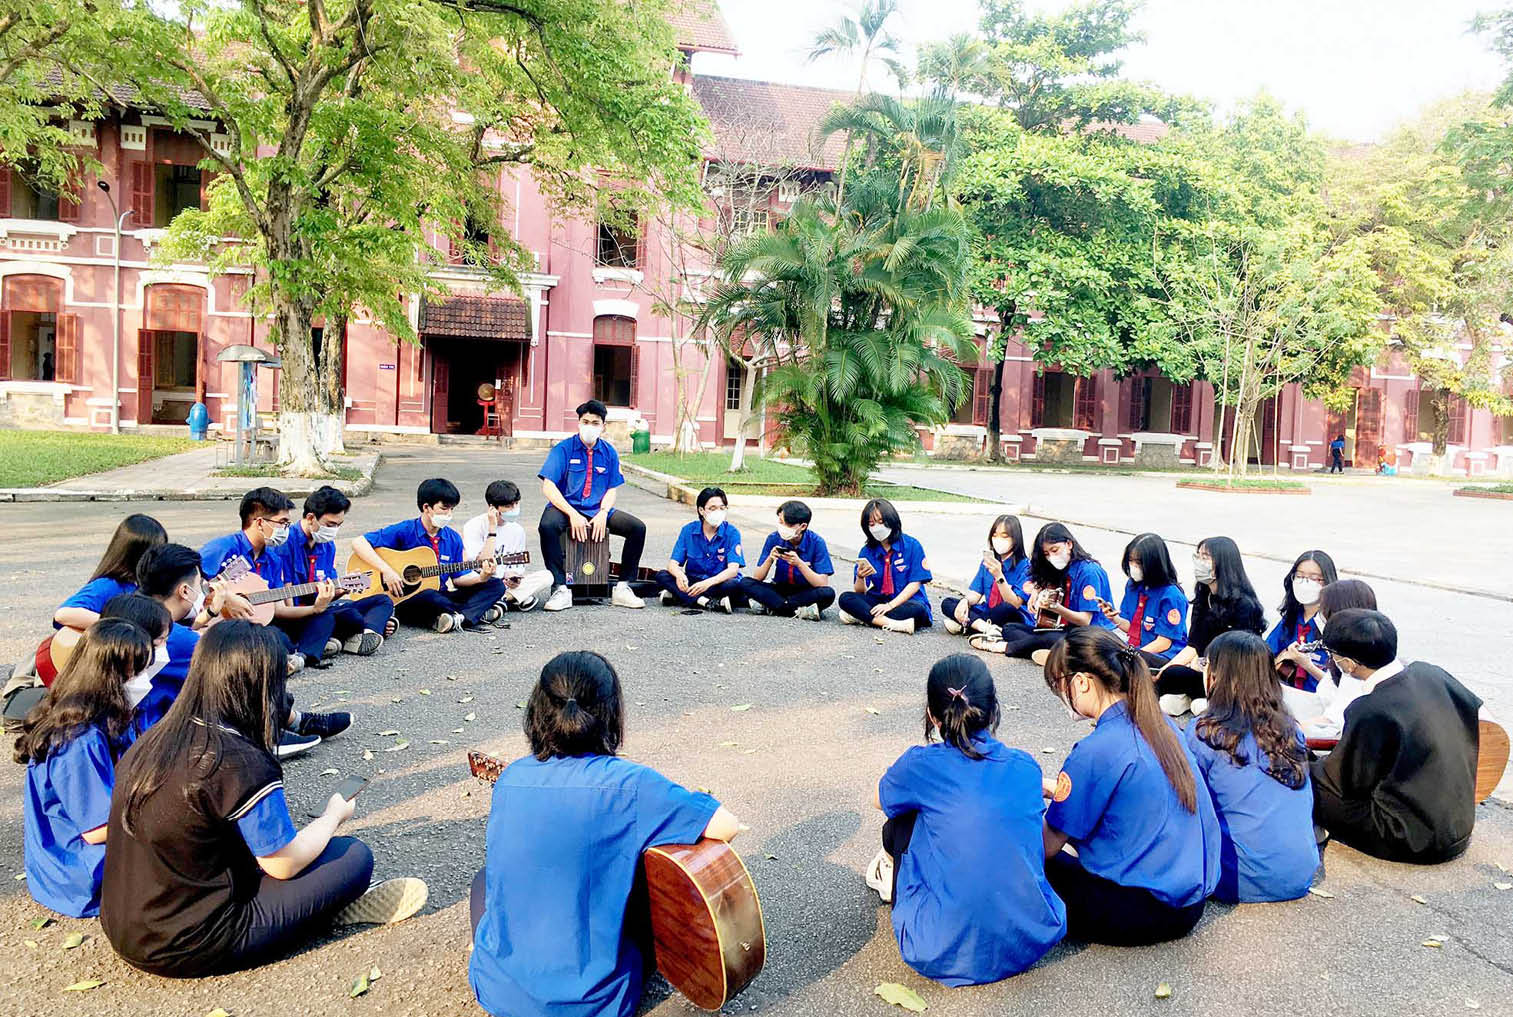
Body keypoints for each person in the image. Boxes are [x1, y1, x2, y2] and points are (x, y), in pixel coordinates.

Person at [99, 622, 428, 977]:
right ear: (262, 685)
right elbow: (283, 864)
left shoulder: (156, 736)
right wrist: (332, 816)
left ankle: (309, 910)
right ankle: (321, 913)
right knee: (352, 856)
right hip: (193, 941)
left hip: (123, 926)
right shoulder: (238, 761)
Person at [469, 651, 743, 1017]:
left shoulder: (512, 777)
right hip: (594, 1006)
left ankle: (499, 965)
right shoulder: (632, 784)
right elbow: (727, 825)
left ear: (537, 712)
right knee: (633, 890)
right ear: (612, 714)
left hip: (498, 994)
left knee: (484, 881)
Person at [868, 654, 1065, 986]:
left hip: (939, 947)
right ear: (993, 710)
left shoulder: (920, 765)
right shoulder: (1025, 766)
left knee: (901, 821)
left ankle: (892, 879)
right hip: (1027, 941)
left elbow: (878, 800)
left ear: (932, 715)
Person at [1041, 628, 1220, 945]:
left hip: (1137, 911)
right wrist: (1057, 791)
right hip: (1189, 905)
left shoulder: (1096, 750)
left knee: (1014, 856)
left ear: (1081, 682)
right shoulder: (1163, 726)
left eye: (1059, 687)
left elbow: (1047, 845)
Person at [135, 544, 340, 755]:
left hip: (147, 725)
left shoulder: (137, 614)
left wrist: (211, 612)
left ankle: (289, 721)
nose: (204, 590)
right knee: (249, 661)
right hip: (171, 731)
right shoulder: (181, 640)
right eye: (200, 585)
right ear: (185, 591)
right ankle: (265, 735)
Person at [1311, 610, 1481, 864]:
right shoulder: (1432, 673)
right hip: (1459, 825)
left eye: (1332, 655)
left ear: (1348, 663)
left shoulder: (1370, 708)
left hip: (1411, 839)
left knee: (1304, 779)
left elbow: (1344, 783)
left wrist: (1304, 759)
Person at [16, 619, 153, 917]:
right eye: (137, 671)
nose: (145, 679)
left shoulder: (95, 713)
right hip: (78, 873)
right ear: (110, 678)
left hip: (72, 862)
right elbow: (97, 830)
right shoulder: (78, 741)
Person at [1184, 632, 1318, 903]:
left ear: (1217, 675)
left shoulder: (1204, 732)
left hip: (1236, 879)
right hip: (1300, 875)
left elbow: (1187, 805)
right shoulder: (1290, 728)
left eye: (1205, 664)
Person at [200, 487, 336, 673]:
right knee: (275, 639)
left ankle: (299, 657)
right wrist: (228, 598)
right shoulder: (222, 548)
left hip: (258, 623)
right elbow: (192, 584)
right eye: (282, 523)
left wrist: (315, 608)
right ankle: (292, 653)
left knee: (323, 618)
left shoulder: (273, 558)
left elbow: (279, 609)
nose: (286, 529)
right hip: (219, 626)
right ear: (259, 523)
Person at [351, 478, 506, 633]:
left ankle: (458, 618)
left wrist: (482, 577)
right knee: (430, 597)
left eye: (452, 509)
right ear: (426, 507)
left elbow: (458, 579)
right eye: (444, 508)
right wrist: (387, 571)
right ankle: (472, 613)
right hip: (408, 599)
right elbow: (359, 542)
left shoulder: (453, 538)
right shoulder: (405, 530)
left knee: (496, 585)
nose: (449, 514)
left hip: (441, 594)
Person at [536, 400, 647, 612]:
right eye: (585, 422)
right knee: (547, 526)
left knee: (637, 528)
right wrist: (572, 514)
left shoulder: (609, 452)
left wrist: (604, 512)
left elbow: (612, 488)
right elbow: (548, 486)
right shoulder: (563, 449)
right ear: (579, 423)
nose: (589, 426)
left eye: (595, 423)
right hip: (565, 508)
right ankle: (560, 588)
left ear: (603, 426)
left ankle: (623, 588)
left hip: (597, 510)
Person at [1154, 536, 1266, 717]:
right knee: (1164, 671)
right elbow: (1193, 645)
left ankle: (1210, 699)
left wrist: (1205, 668)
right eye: (1198, 556)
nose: (1199, 562)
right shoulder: (1203, 596)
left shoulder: (1244, 605)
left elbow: (1242, 658)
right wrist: (1165, 669)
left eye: (1205, 557)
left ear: (1223, 562)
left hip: (1230, 677)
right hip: (1203, 670)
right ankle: (1195, 696)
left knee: (1174, 676)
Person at [277, 486, 396, 657]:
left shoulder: (328, 545)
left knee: (382, 601)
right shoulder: (285, 543)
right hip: (298, 614)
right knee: (349, 617)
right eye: (330, 525)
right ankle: (354, 633)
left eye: (338, 525)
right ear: (310, 518)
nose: (333, 530)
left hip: (322, 608)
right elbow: (287, 604)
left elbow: (329, 592)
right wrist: (316, 608)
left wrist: (343, 589)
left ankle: (367, 633)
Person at [968, 522, 1112, 660]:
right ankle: (1052, 654)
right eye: (1046, 554)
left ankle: (1004, 647)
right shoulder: (1061, 568)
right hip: (1063, 630)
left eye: (1054, 550)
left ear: (1069, 544)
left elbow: (1085, 621)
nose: (1051, 557)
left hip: (1091, 635)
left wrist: (1056, 608)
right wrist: (1037, 591)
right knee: (1009, 629)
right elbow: (1044, 581)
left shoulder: (1089, 572)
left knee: (1050, 638)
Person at [53, 514, 168, 630]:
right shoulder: (110, 585)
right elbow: (63, 614)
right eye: (156, 553)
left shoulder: (144, 587)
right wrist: (122, 625)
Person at [838, 499, 933, 635]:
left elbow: (915, 584)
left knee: (917, 610)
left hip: (907, 602)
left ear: (891, 520)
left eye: (881, 522)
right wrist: (860, 577)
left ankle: (864, 617)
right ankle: (891, 624)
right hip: (879, 601)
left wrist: (889, 606)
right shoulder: (867, 551)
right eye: (871, 524)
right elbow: (860, 592)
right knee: (846, 598)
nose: (877, 527)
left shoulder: (912, 545)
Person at [462, 480, 556, 612]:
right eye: (508, 506)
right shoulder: (474, 525)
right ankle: (515, 598)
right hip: (481, 580)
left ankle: (503, 599)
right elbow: (480, 563)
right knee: (474, 580)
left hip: (504, 583)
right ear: (492, 508)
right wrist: (492, 530)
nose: (514, 509)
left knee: (547, 576)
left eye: (516, 503)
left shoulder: (517, 530)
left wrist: (513, 577)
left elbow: (516, 565)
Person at [1101, 532, 1188, 670]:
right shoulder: (1133, 586)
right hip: (1138, 649)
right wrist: (1114, 618)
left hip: (1162, 656)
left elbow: (1164, 642)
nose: (1133, 566)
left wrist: (1132, 654)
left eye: (1138, 562)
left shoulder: (1172, 596)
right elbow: (1133, 628)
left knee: (1120, 664)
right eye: (1130, 561)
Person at [739, 500, 836, 620]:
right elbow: (757, 577)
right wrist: (770, 559)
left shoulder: (817, 542)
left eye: (787, 525)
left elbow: (822, 583)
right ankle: (794, 610)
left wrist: (799, 564)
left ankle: (776, 607)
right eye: (780, 522)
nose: (782, 527)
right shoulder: (774, 538)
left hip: (804, 591)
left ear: (803, 526)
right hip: (779, 588)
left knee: (828, 593)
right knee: (745, 582)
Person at [655, 487, 746, 613]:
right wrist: (679, 575)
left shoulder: (732, 532)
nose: (718, 512)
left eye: (722, 508)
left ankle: (680, 596)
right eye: (712, 508)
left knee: (735, 585)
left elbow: (733, 570)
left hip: (718, 582)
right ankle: (705, 602)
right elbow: (673, 564)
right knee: (662, 576)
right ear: (701, 510)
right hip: (694, 580)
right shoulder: (688, 530)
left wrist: (707, 583)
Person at [940, 515, 1032, 639]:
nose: (998, 540)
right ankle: (986, 628)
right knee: (948, 603)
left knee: (1006, 608)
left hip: (1013, 616)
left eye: (1004, 536)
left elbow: (1014, 604)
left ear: (1015, 539)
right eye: (995, 535)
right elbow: (975, 594)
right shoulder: (988, 561)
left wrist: (999, 576)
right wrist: (965, 602)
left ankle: (966, 625)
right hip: (988, 611)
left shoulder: (1026, 567)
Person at [1267, 550, 1337, 692]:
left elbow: (1340, 686)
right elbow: (1265, 655)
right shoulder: (1291, 619)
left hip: (1321, 699)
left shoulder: (1333, 624)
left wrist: (1307, 665)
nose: (1305, 583)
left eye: (1314, 578)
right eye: (1300, 576)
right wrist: (1283, 657)